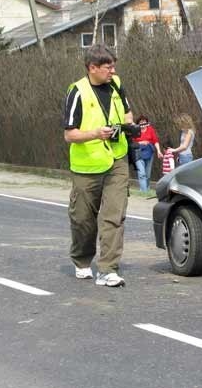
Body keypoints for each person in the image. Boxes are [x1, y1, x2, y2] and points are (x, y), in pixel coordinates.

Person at [62, 44, 134, 288]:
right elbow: (69, 135)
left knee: (114, 216)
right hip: (87, 166)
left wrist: (131, 126)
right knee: (83, 220)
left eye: (114, 66)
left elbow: (127, 113)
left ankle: (108, 270)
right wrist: (95, 133)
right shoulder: (77, 92)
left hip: (117, 160)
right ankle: (82, 260)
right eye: (107, 67)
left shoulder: (116, 84)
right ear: (92, 68)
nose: (112, 71)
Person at [132, 115, 163, 192]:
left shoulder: (150, 129)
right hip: (138, 153)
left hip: (149, 153)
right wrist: (141, 142)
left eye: (144, 121)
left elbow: (155, 141)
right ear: (138, 123)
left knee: (147, 174)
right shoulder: (135, 130)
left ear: (146, 122)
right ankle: (144, 191)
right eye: (141, 122)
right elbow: (132, 143)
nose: (143, 123)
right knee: (142, 173)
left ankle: (147, 188)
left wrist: (159, 151)